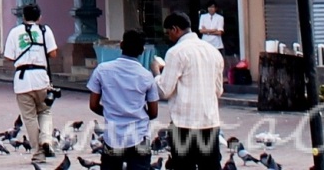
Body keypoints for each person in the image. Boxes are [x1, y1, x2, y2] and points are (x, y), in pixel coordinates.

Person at [155, 10, 225, 170]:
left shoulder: (175, 52)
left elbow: (164, 90)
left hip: (184, 124)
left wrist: (157, 73)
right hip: (209, 123)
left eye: (168, 33)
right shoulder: (213, 52)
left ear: (175, 29)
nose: (169, 37)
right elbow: (218, 91)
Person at [88, 29, 159, 170]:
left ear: (121, 45)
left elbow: (93, 105)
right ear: (142, 51)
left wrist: (111, 112)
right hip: (140, 136)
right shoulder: (146, 76)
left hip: (113, 136)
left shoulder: (102, 70)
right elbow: (153, 112)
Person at [4, 3, 58, 162]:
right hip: (41, 78)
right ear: (39, 17)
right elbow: (53, 53)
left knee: (29, 117)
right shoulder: (45, 30)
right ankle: (46, 139)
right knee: (45, 111)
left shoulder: (14, 32)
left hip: (22, 81)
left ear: (23, 17)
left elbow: (8, 57)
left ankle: (38, 153)